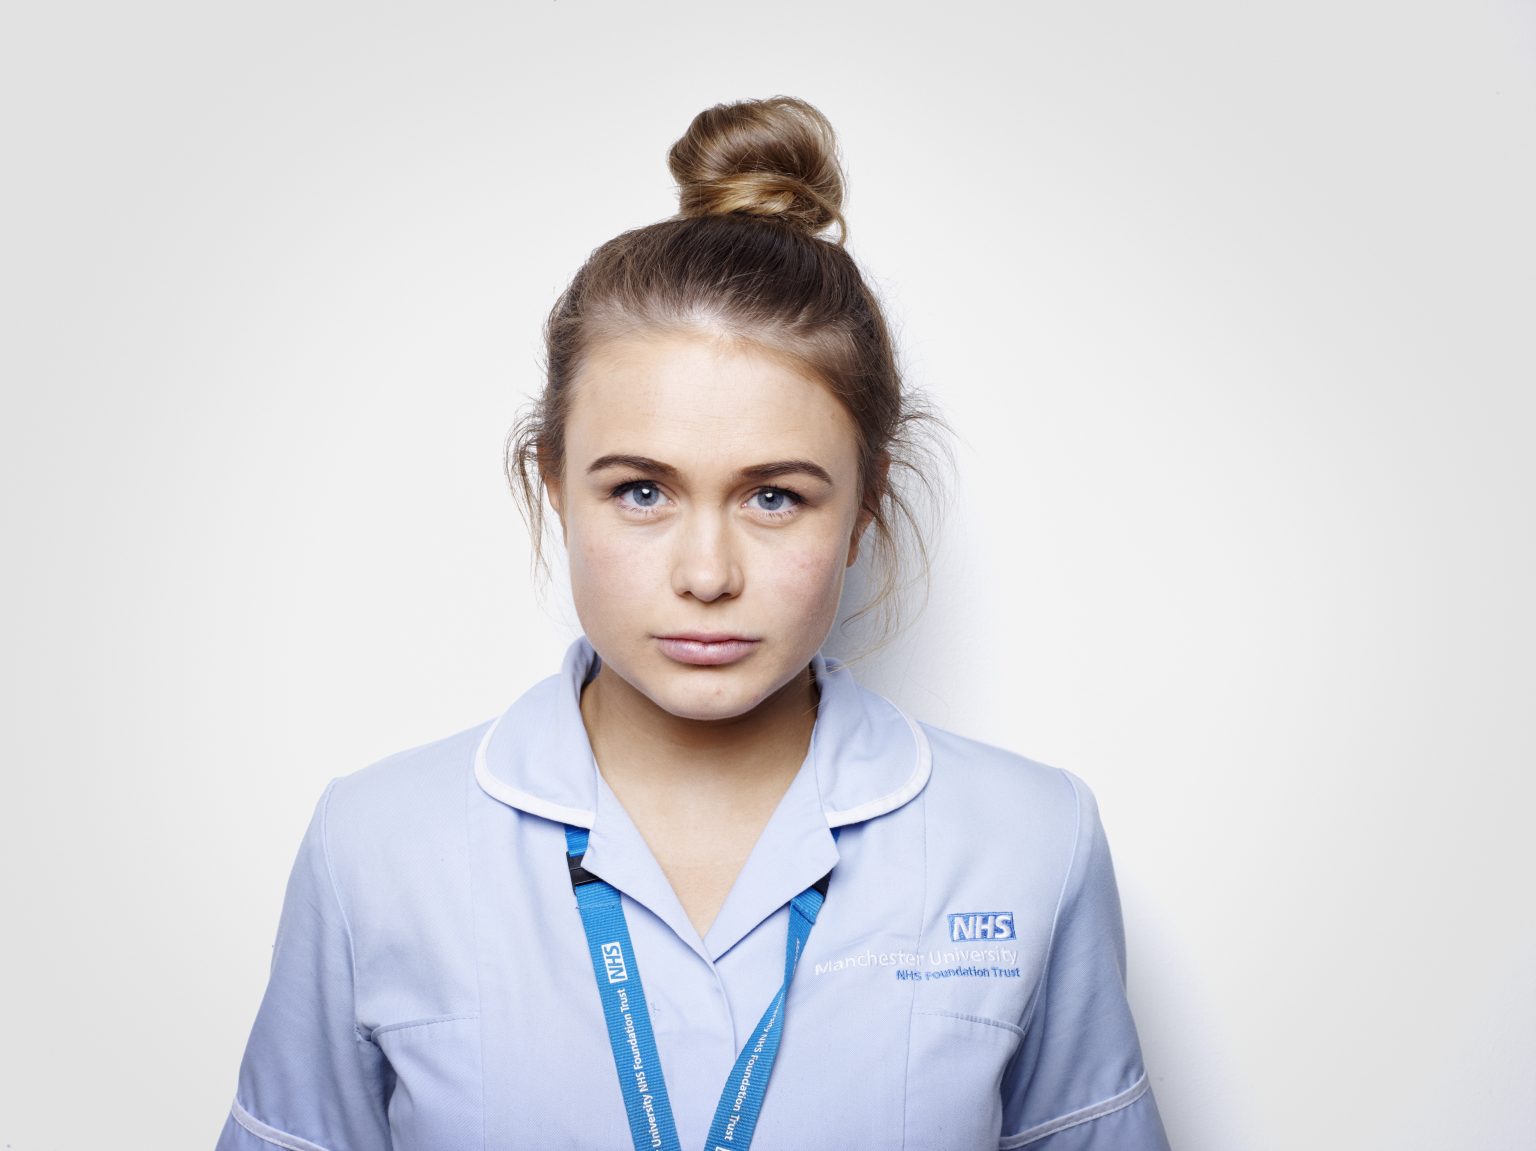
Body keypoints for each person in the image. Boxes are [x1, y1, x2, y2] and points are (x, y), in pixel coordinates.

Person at [215, 96, 1170, 1151]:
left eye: (775, 496)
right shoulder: (376, 846)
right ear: (554, 487)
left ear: (863, 508)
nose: (707, 573)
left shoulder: (1032, 840)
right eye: (639, 491)